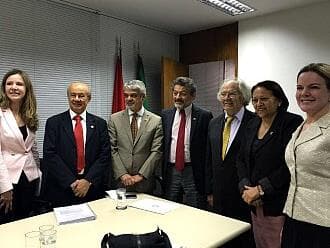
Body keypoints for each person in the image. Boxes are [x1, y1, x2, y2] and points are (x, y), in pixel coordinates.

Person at [237, 80, 303, 248]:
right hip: (253, 202)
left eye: (264, 99)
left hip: (278, 202)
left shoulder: (292, 122)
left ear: (279, 100)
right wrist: (246, 187)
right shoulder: (252, 124)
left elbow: (291, 164)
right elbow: (241, 159)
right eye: (255, 100)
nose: (258, 104)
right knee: (260, 242)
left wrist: (261, 190)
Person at [282, 63, 330, 248]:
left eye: (314, 87)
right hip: (294, 216)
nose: (304, 93)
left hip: (323, 223)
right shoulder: (302, 125)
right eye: (300, 88)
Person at [43, 81, 111, 207]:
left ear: (89, 98)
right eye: (73, 95)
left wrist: (87, 181)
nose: (77, 99)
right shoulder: (53, 123)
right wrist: (72, 182)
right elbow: (50, 154)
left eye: (81, 95)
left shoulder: (100, 124)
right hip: (62, 188)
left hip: (92, 188)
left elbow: (104, 155)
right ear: (68, 97)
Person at [205, 79, 255, 248]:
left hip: (244, 194)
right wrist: (209, 191)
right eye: (223, 94)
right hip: (218, 195)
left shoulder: (256, 122)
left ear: (243, 97)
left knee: (242, 239)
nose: (227, 98)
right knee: (220, 236)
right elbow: (209, 160)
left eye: (232, 93)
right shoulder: (214, 123)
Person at [162, 76, 213, 209]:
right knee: (169, 207)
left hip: (193, 170)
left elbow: (208, 149)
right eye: (175, 93)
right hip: (171, 169)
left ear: (193, 95)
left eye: (183, 93)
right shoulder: (165, 115)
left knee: (195, 207)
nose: (178, 97)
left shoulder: (204, 116)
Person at [0, 69, 41, 224]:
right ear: (4, 88)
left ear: (26, 89)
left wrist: (38, 173)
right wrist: (4, 187)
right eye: (9, 83)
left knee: (24, 221)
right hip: (7, 179)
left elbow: (31, 148)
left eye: (19, 84)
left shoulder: (28, 113)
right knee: (7, 223)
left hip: (29, 177)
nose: (14, 87)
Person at [108, 80, 163, 193]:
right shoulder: (114, 119)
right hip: (121, 181)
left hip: (144, 182)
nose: (129, 99)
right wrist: (123, 174)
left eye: (133, 95)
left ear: (143, 97)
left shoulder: (156, 121)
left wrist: (141, 175)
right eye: (126, 95)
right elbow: (112, 149)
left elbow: (156, 151)